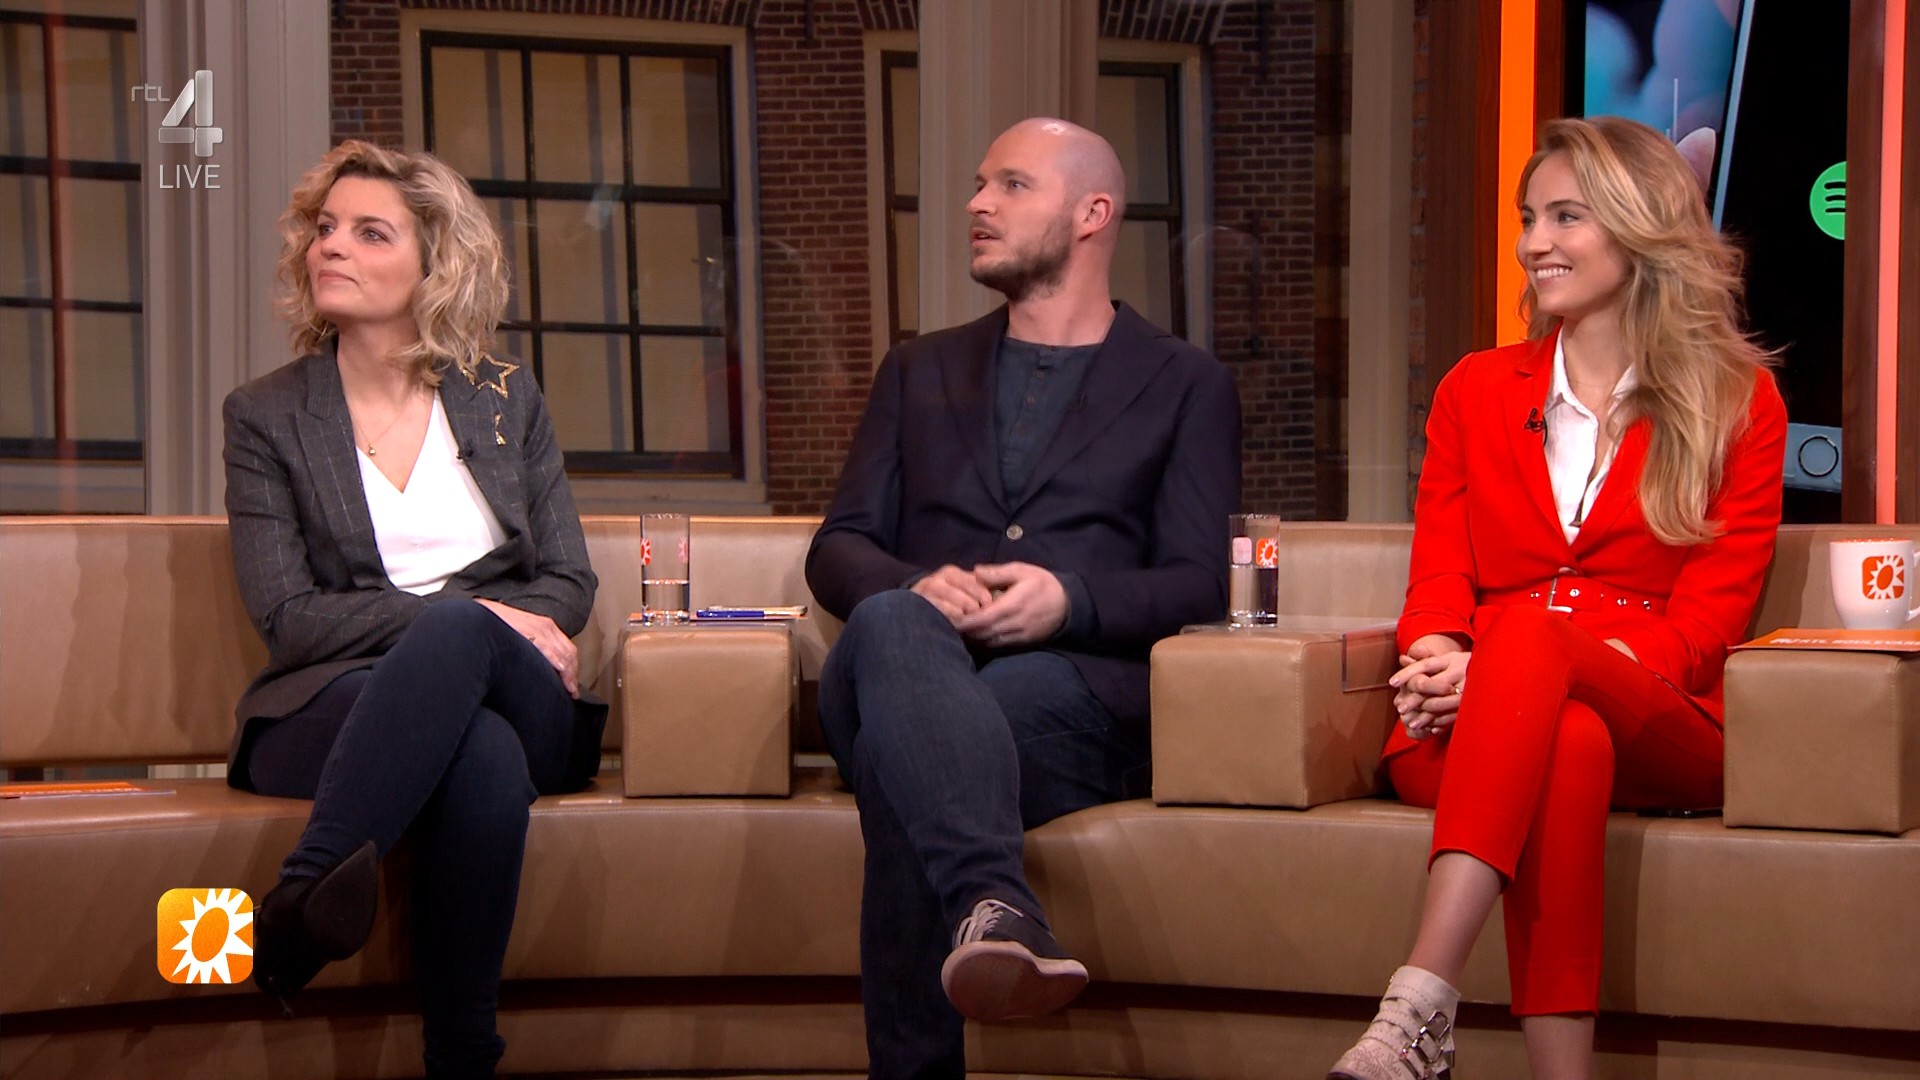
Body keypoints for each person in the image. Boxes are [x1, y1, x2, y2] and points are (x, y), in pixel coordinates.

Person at [1328, 116, 1786, 1080]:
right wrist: (1443, 660)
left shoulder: (1738, 401)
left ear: (1640, 224)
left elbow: (1702, 633)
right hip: (1476, 719)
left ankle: (1417, 1002)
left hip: (1658, 713)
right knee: (1566, 744)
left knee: (1538, 642)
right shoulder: (1475, 389)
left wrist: (1513, 661)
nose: (1536, 242)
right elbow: (1438, 581)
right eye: (1528, 217)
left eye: (1566, 216)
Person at [806, 117, 1241, 1078]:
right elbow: (838, 547)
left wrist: (1068, 600)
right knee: (892, 620)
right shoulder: (918, 368)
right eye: (978, 184)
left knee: (904, 755)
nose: (976, 204)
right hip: (901, 662)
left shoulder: (1186, 384)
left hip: (1071, 697)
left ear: (1093, 213)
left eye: (1010, 185)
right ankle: (993, 899)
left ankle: (957, 973)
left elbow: (1198, 579)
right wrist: (915, 583)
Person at [222, 141, 606, 1080]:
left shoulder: (506, 397)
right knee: (479, 755)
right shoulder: (266, 416)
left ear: (435, 265)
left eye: (369, 233)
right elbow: (291, 618)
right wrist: (473, 619)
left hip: (521, 693)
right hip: (337, 702)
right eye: (325, 229)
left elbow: (568, 582)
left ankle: (305, 892)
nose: (331, 247)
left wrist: (472, 628)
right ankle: (462, 1060)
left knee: (464, 645)